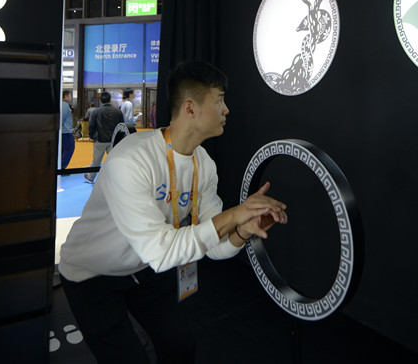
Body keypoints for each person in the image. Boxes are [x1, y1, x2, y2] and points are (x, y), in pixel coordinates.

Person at [59, 61, 288, 363]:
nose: (227, 110)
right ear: (190, 109)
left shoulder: (203, 164)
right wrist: (234, 215)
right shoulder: (131, 161)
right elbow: (161, 250)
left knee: (180, 347)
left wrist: (242, 230)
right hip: (92, 272)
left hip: (144, 268)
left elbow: (215, 245)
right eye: (219, 101)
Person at [83, 91, 124, 184]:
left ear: (101, 101)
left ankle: (90, 177)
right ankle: (116, 178)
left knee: (96, 160)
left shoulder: (96, 111)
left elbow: (91, 125)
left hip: (100, 139)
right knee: (114, 160)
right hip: (113, 139)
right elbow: (121, 125)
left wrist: (93, 136)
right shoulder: (117, 111)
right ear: (110, 100)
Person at [60, 90, 75, 169]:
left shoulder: (61, 104)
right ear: (65, 97)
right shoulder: (65, 105)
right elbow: (61, 119)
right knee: (70, 148)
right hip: (66, 132)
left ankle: (60, 167)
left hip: (62, 132)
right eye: (69, 96)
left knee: (63, 150)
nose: (71, 98)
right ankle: (61, 168)